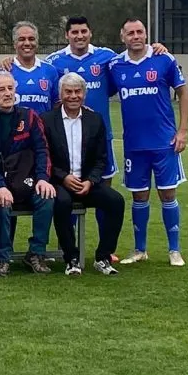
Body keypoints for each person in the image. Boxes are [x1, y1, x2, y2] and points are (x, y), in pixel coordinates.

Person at [109, 18, 188, 267]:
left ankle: (174, 250)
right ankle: (139, 249)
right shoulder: (115, 65)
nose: (136, 36)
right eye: (131, 33)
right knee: (139, 197)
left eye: (140, 32)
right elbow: (99, 88)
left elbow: (184, 92)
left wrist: (183, 130)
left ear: (146, 34)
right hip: (134, 144)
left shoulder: (163, 59)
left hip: (164, 142)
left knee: (167, 194)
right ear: (123, 37)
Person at [41, 73, 125, 276]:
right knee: (60, 203)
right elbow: (45, 157)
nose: (73, 96)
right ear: (61, 94)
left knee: (116, 201)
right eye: (68, 92)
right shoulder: (47, 120)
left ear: (84, 94)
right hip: (60, 182)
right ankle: (71, 258)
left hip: (87, 183)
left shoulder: (95, 120)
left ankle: (103, 257)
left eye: (77, 91)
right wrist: (63, 177)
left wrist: (91, 181)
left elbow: (100, 159)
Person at [0, 71, 55, 277]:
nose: (7, 93)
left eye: (10, 88)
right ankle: (2, 257)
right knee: (0, 201)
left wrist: (43, 179)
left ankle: (36, 253)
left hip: (26, 179)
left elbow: (42, 150)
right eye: (1, 89)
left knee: (46, 197)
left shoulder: (29, 116)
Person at [7, 21, 59, 114]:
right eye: (22, 39)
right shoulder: (5, 70)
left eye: (31, 39)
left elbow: (57, 104)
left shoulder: (50, 70)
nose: (27, 43)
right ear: (14, 44)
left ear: (37, 43)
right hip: (14, 128)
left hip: (43, 127)